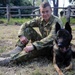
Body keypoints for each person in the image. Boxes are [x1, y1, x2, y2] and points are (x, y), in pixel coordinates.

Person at [0, 1, 63, 65]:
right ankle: (17, 49)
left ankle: (9, 60)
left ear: (51, 10)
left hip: (52, 48)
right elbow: (25, 24)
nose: (45, 14)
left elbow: (52, 37)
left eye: (47, 11)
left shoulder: (56, 21)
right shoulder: (40, 20)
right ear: (40, 12)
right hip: (42, 44)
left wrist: (34, 46)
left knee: (31, 50)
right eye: (43, 12)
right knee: (28, 30)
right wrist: (21, 36)